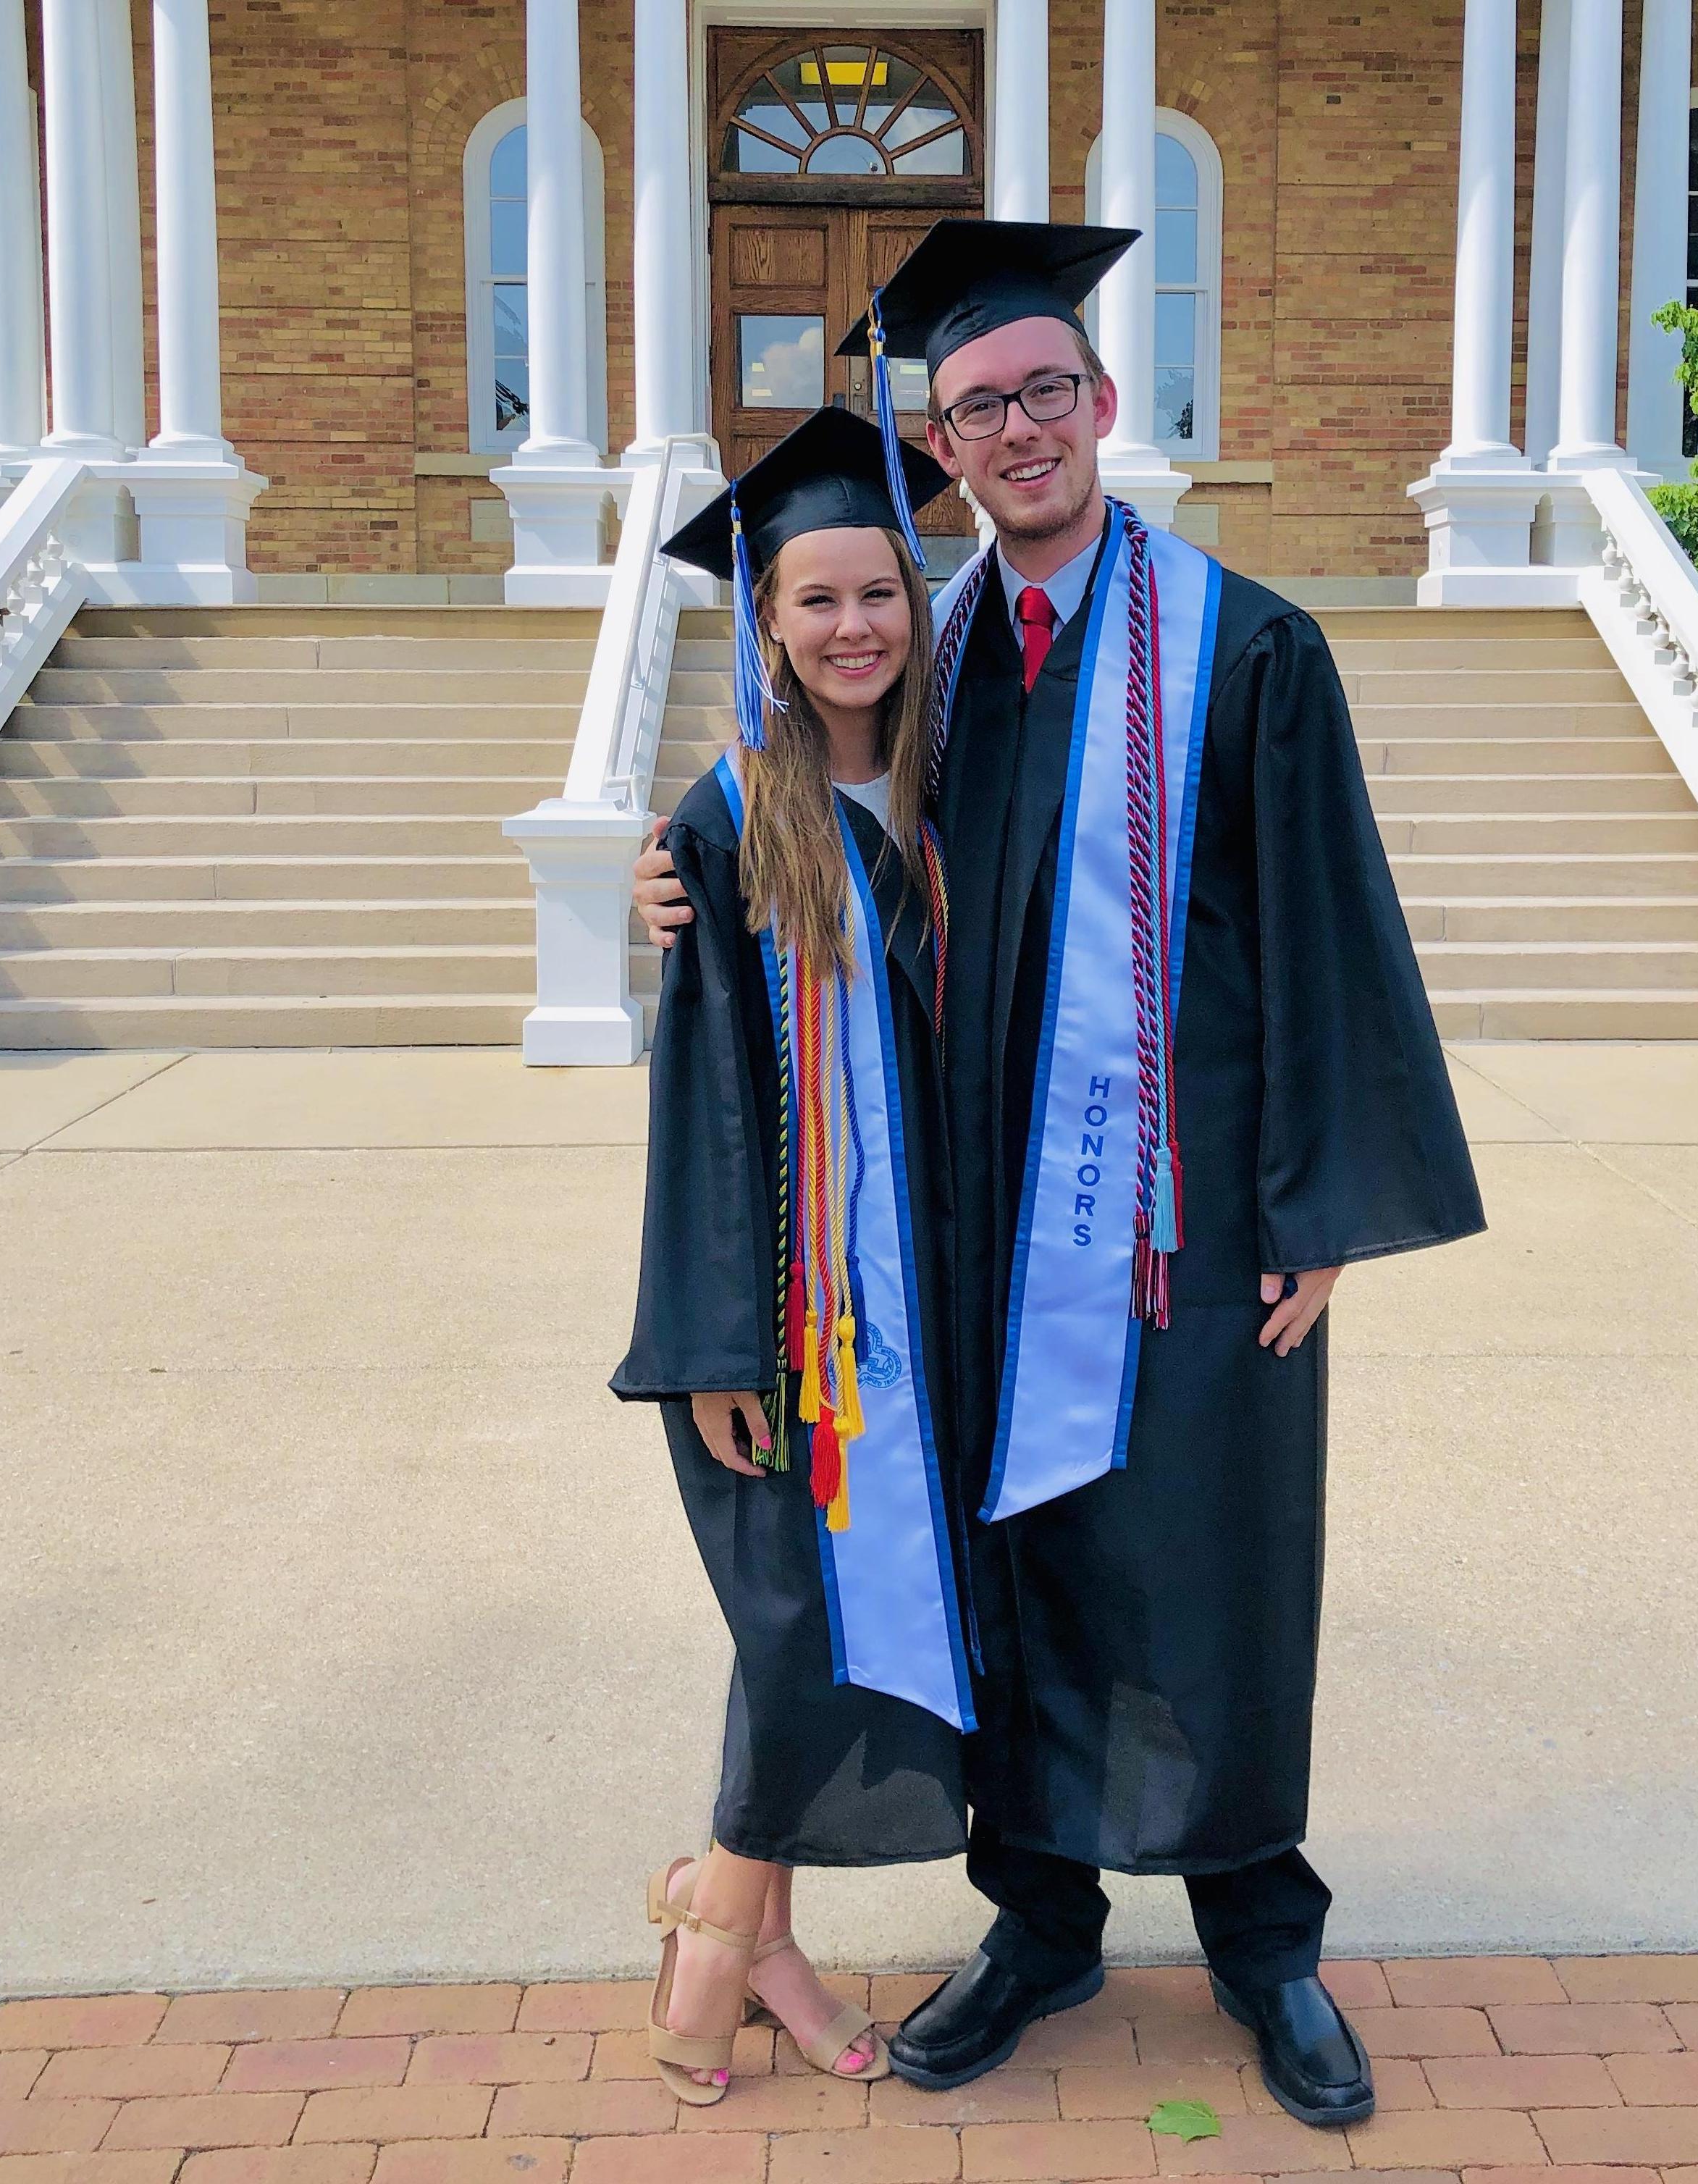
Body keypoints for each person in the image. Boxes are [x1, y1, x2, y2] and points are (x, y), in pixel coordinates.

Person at [634, 221, 1486, 2130]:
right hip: (958, 1248)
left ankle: (1265, 1943)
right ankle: (1040, 1923)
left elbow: (1336, 930)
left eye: (1043, 395)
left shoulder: (1246, 646)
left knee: (1212, 1577)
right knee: (1012, 1578)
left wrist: (1322, 1207)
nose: (1015, 434)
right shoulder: (921, 666)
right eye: (973, 411)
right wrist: (674, 878)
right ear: (938, 448)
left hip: (1188, 1237)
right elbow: (814, 865)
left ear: (1104, 406)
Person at [610, 406, 978, 2108]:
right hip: (786, 1320)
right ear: (764, 619)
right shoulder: (725, 818)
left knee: (833, 1622)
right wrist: (704, 1343)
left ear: (918, 598)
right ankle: (724, 1939)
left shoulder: (944, 785)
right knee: (789, 1622)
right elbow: (693, 1104)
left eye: (878, 594)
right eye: (815, 598)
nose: (852, 628)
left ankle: (732, 1915)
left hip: (938, 1304)